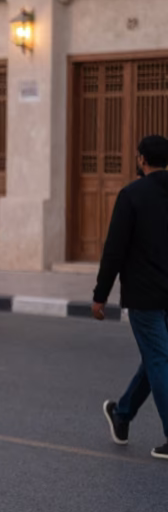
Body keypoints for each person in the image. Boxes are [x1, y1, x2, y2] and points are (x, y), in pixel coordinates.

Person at [95, 134, 168, 461]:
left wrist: (100, 295)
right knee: (158, 357)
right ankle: (122, 415)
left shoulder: (131, 195)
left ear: (141, 159)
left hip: (144, 295)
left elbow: (115, 250)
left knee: (159, 359)